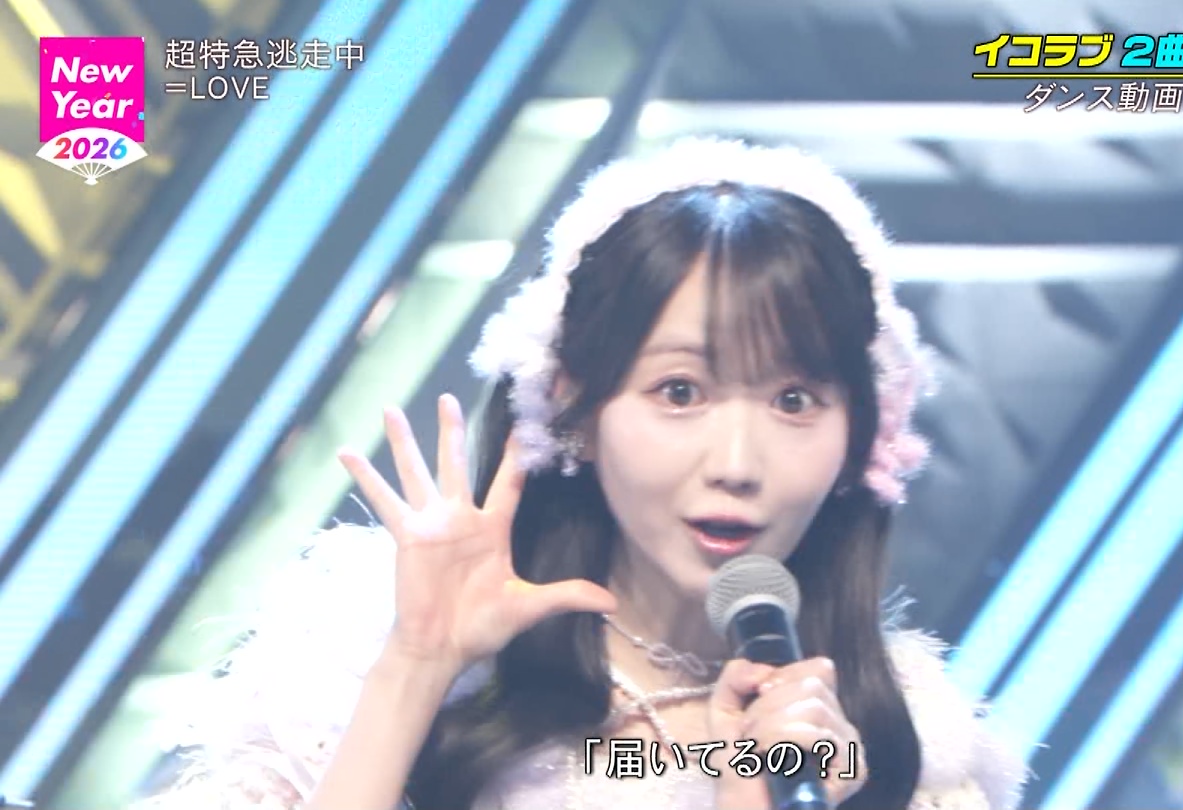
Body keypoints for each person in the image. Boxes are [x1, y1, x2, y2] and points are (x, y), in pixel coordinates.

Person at [135, 139, 1029, 810]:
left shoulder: (900, 743)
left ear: (861, 437)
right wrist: (415, 668)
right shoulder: (366, 649)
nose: (738, 464)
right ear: (574, 407)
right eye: (681, 391)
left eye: (795, 400)